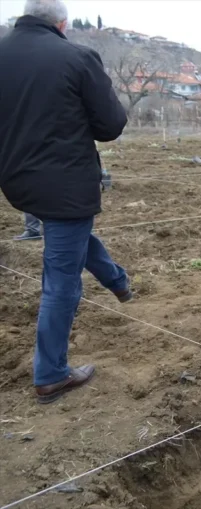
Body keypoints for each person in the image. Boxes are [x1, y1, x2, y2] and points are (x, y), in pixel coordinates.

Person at [0, 0, 132, 404]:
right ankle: (52, 374)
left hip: (18, 181)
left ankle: (118, 281)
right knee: (61, 279)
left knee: (69, 234)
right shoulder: (76, 57)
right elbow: (111, 125)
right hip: (65, 182)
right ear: (62, 23)